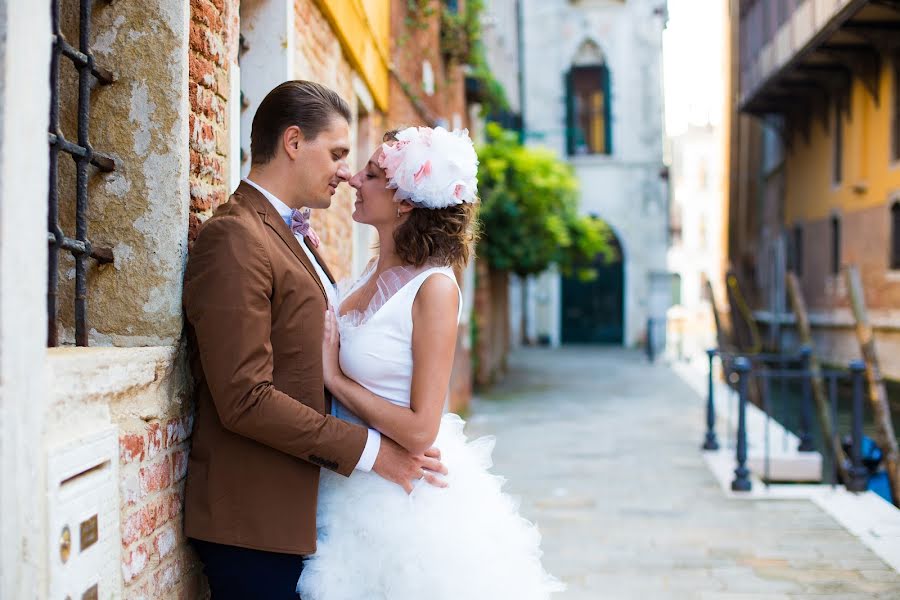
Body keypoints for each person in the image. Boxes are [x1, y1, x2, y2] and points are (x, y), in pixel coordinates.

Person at [181, 81, 446, 599]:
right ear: (294, 143)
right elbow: (244, 399)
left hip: (305, 514)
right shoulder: (236, 236)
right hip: (254, 522)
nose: (347, 173)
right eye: (339, 153)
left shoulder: (289, 233)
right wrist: (377, 454)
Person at [297, 125, 565, 599]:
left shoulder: (435, 289)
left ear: (405, 202)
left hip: (398, 505)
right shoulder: (371, 271)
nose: (354, 179)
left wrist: (334, 380)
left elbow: (423, 428)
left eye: (373, 174)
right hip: (348, 480)